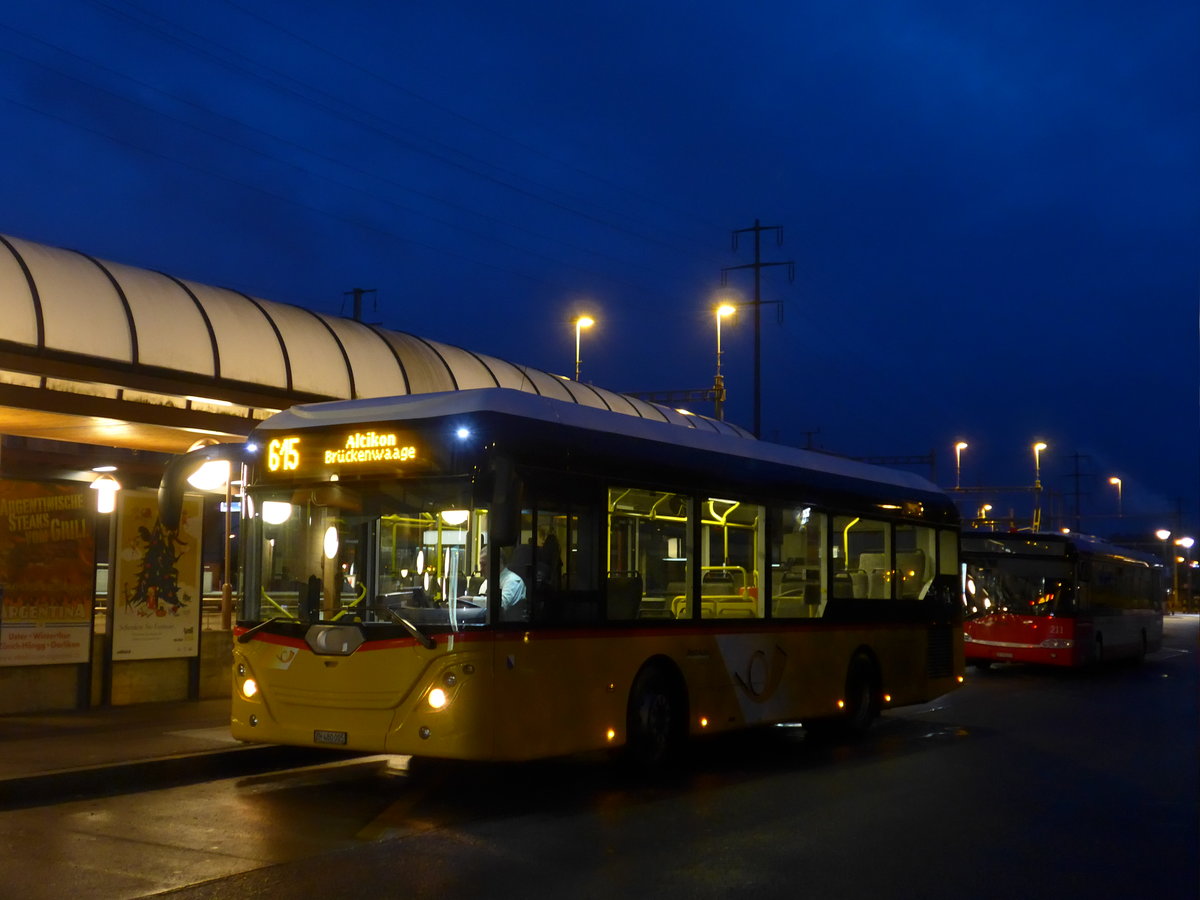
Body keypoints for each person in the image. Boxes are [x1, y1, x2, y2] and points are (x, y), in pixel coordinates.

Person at [478, 546, 527, 620]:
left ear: (498, 562)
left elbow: (501, 605)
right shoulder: (485, 583)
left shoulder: (513, 581)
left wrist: (471, 600)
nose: (481, 569)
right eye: (480, 565)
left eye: (484, 564)